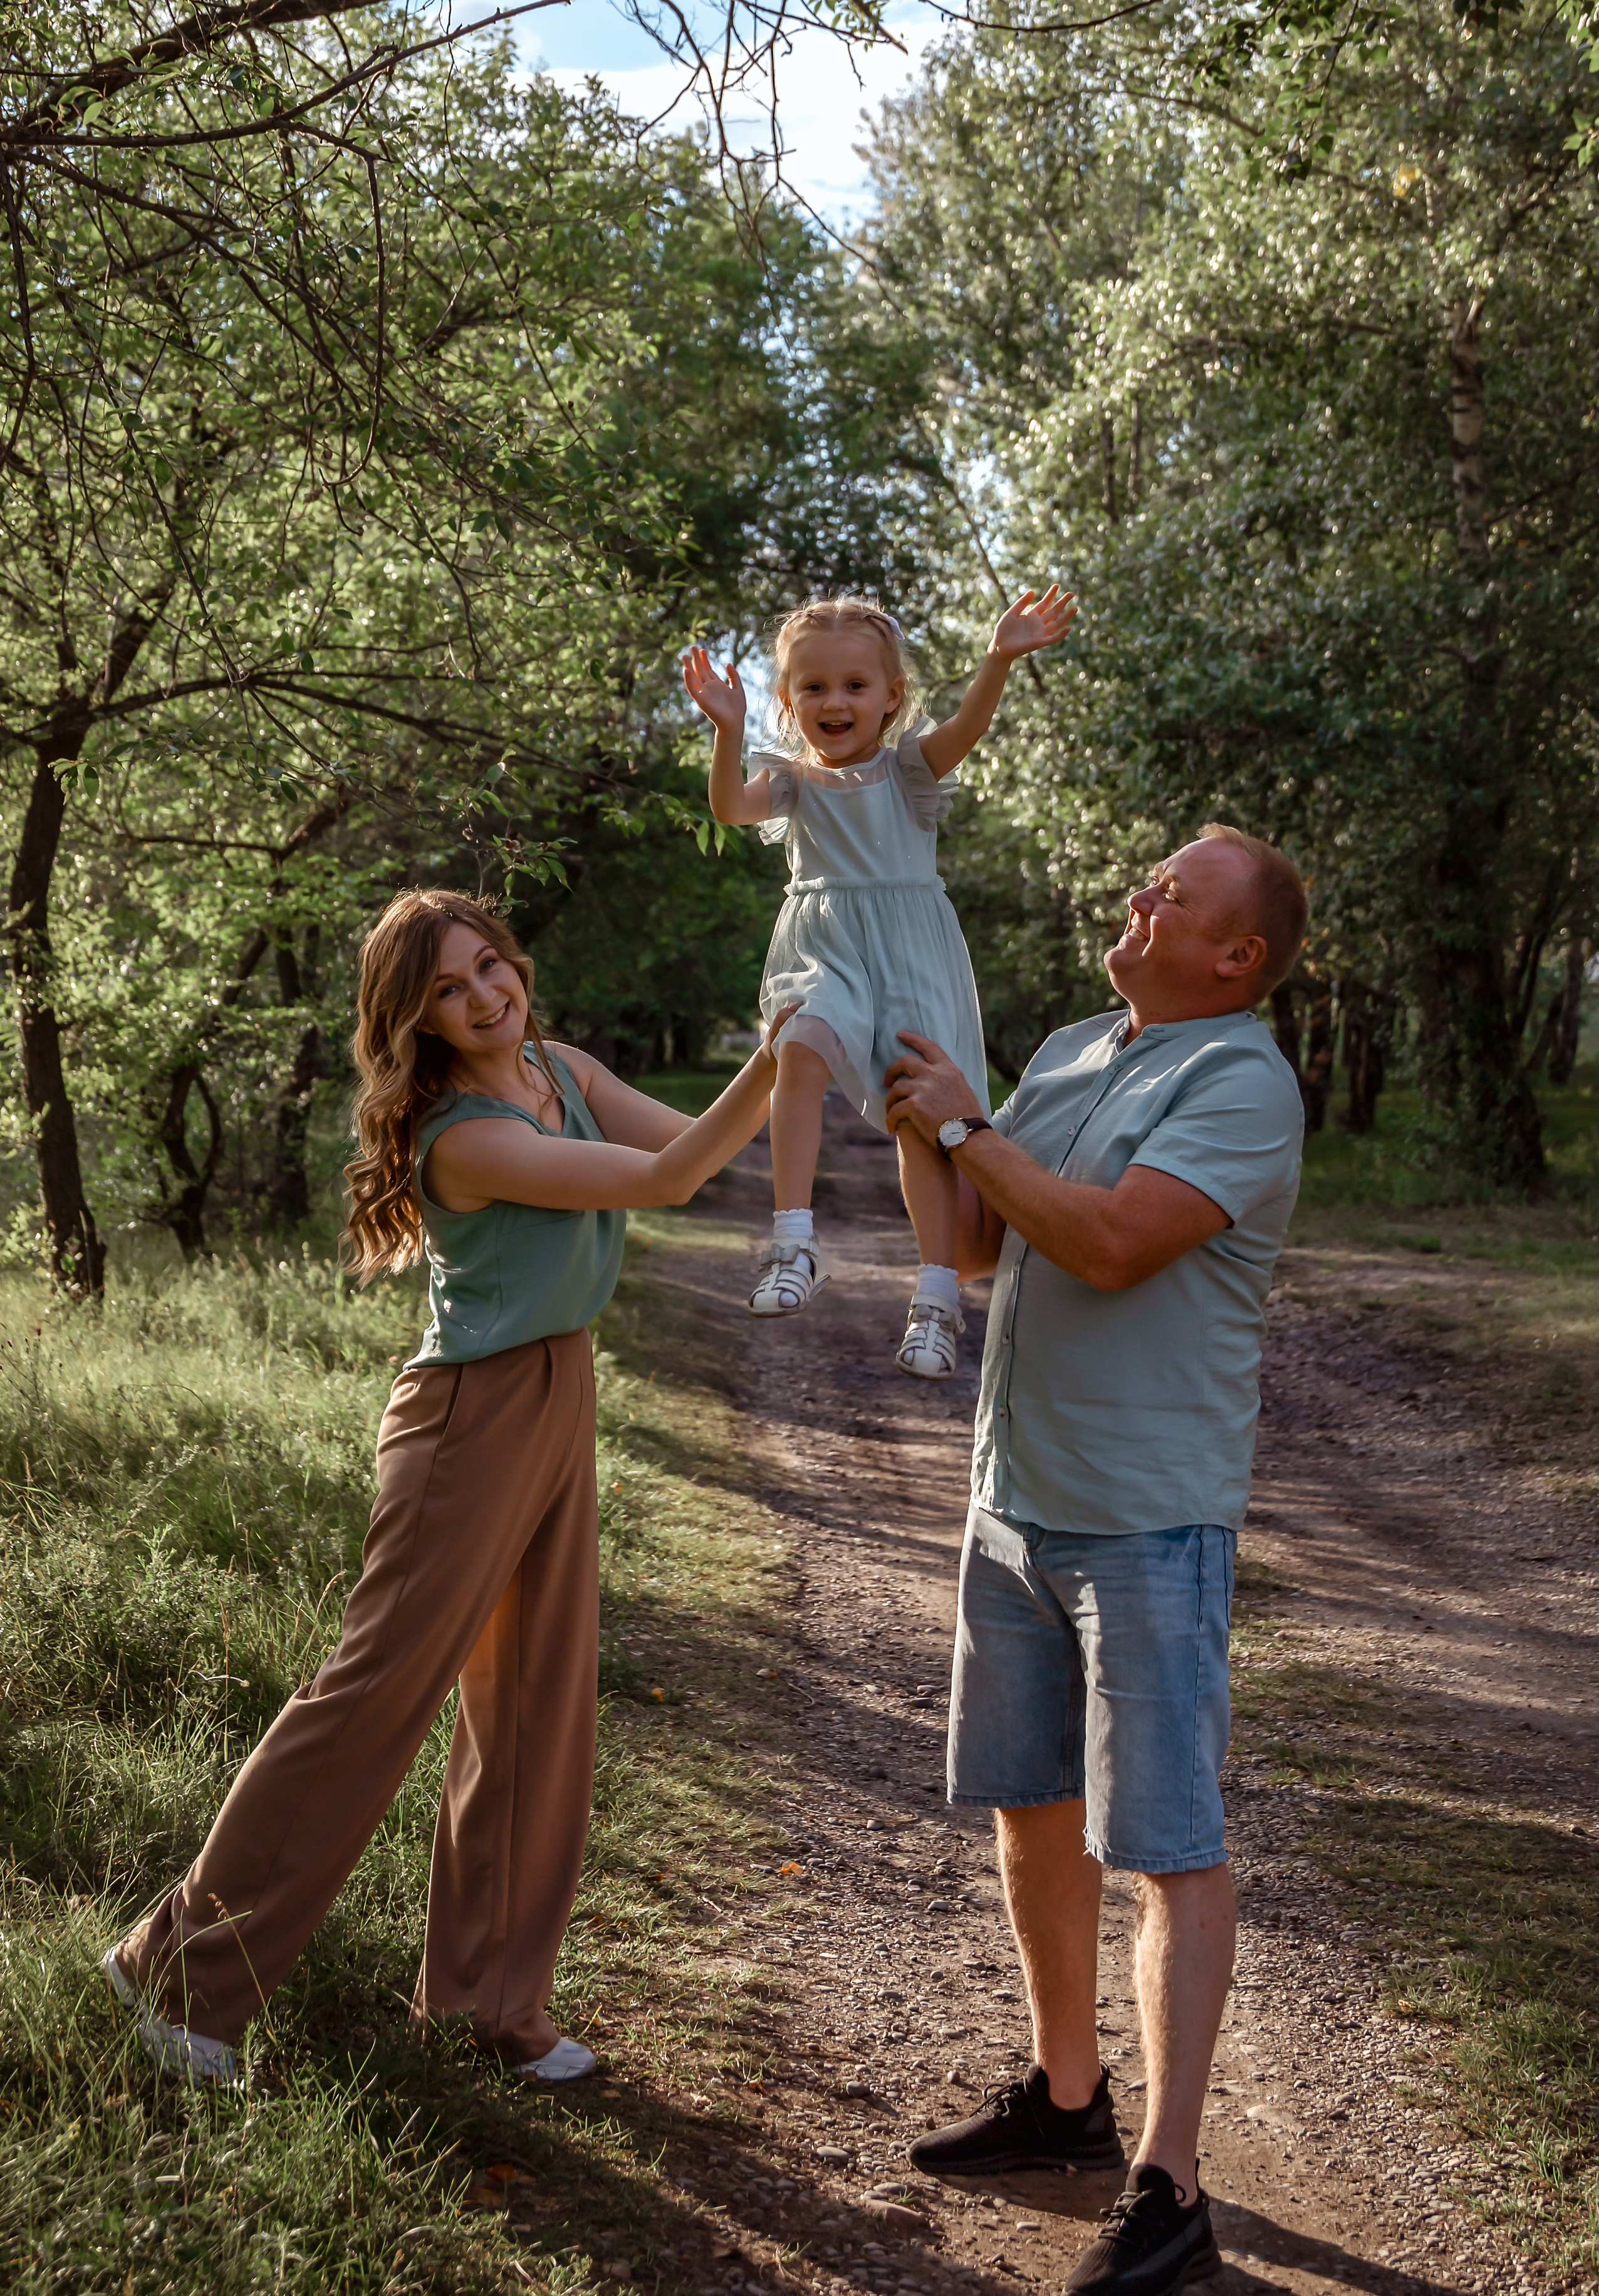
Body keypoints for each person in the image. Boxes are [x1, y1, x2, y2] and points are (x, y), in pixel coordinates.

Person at [105, 889, 791, 2088]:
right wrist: (790, 1042)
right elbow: (675, 1176)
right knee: (370, 1698)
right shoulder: (462, 1131)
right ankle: (176, 1971)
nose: (482, 996)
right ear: (412, 1018)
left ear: (516, 961)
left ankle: (490, 2002)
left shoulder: (558, 1066)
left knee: (534, 1704)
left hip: (558, 1385)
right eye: (447, 989)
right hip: (467, 1416)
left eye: (489, 966)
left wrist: (822, 1058)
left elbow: (698, 1136)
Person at [883, 825, 1308, 2295]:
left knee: (1166, 1846)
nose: (1137, 899)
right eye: (1144, 882)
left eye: (1168, 895)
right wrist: (912, 1117)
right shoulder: (1074, 1045)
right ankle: (1067, 2103)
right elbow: (990, 1241)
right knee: (1032, 1808)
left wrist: (963, 1126)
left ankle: (1169, 2183)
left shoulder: (1239, 1081)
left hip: (1145, 1517)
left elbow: (1116, 1243)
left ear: (1233, 954)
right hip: (1010, 1499)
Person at [682, 588, 1073, 1379]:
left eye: (856, 685)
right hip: (823, 944)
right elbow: (727, 808)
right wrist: (728, 729)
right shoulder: (791, 779)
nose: (835, 701)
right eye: (814, 686)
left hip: (910, 951)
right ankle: (794, 1242)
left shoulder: (908, 770)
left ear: (891, 697)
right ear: (789, 701)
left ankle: (935, 1299)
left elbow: (965, 728)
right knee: (798, 1042)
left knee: (917, 1113)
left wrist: (997, 658)